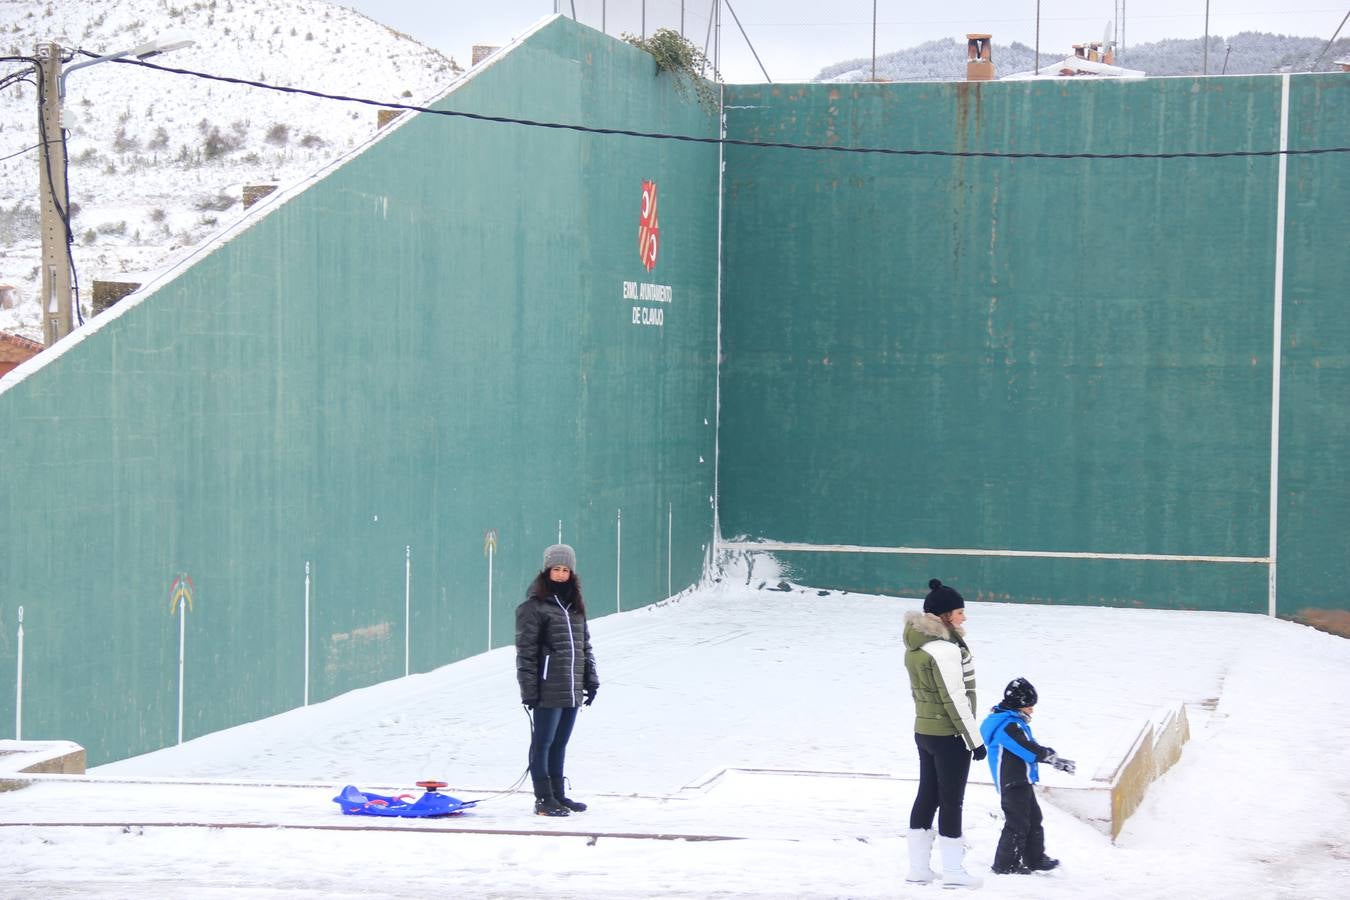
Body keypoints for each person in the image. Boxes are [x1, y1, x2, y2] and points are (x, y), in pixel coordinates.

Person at [903, 578, 985, 889]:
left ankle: (918, 869)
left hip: (924, 729)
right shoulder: (944, 650)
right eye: (959, 611)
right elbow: (955, 696)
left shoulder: (916, 646)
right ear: (944, 615)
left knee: (927, 796)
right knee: (952, 801)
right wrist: (974, 740)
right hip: (949, 735)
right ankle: (953, 872)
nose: (964, 617)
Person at [515, 543, 599, 817]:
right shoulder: (534, 607)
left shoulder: (575, 607)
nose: (561, 574)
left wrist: (591, 680)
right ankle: (543, 799)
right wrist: (529, 690)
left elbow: (584, 646)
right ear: (547, 571)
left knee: (560, 743)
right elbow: (526, 653)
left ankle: (558, 795)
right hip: (547, 688)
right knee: (543, 743)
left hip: (571, 687)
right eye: (556, 569)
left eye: (566, 570)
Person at [978, 677, 1075, 875]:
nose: (1032, 709)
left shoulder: (1013, 722)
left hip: (1021, 780)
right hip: (1012, 782)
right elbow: (1027, 749)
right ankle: (1005, 865)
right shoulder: (1007, 726)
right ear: (1018, 705)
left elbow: (1029, 747)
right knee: (1017, 823)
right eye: (1029, 706)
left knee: (1033, 818)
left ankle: (1034, 858)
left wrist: (1050, 757)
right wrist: (1052, 758)